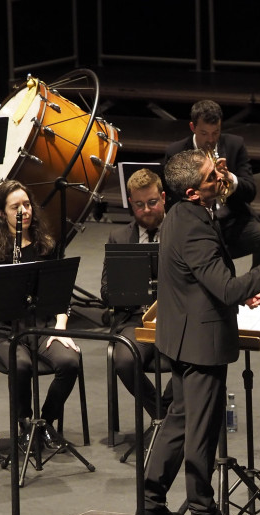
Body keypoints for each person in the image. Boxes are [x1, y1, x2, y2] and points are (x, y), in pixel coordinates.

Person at [144, 150, 260, 515]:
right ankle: (203, 514)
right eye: (211, 177)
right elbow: (225, 285)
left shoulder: (182, 216)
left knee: (179, 421)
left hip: (181, 335)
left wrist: (233, 292)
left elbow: (203, 278)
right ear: (192, 192)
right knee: (201, 428)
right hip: (200, 342)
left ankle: (149, 503)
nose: (220, 178)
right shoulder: (195, 225)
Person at [0, 179, 81, 449]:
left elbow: (60, 294)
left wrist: (60, 326)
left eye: (27, 204)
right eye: (15, 207)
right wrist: (0, 307)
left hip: (39, 325)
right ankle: (24, 424)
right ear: (2, 213)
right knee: (20, 365)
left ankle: (44, 424)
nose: (24, 210)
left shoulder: (46, 244)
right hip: (3, 330)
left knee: (69, 361)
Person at [164, 99, 260, 268]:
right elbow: (172, 197)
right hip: (195, 224)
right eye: (204, 133)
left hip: (231, 220)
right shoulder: (176, 152)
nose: (210, 140)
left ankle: (256, 287)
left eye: (215, 133)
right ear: (192, 127)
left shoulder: (235, 145)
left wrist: (229, 177)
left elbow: (250, 192)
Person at [100, 168, 172, 424]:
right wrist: (128, 287)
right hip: (135, 320)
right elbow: (106, 292)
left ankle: (168, 413)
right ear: (131, 203)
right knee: (124, 361)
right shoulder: (119, 237)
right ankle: (161, 415)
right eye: (139, 204)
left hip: (174, 318)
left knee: (197, 356)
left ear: (163, 197)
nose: (147, 210)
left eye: (152, 202)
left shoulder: (180, 232)